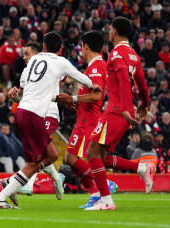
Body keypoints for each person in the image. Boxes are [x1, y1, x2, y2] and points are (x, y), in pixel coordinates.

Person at [0, 32, 94, 209]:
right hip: (34, 115)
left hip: (24, 113)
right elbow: (84, 80)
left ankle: (20, 183)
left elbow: (26, 93)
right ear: (61, 49)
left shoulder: (31, 63)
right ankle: (3, 194)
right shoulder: (60, 61)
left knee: (52, 155)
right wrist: (94, 86)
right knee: (35, 162)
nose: (25, 57)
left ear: (43, 47)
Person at [84, 17, 154, 211]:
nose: (109, 32)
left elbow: (124, 80)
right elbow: (143, 86)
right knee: (102, 156)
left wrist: (123, 109)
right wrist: (144, 105)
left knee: (91, 153)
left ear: (114, 32)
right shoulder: (134, 55)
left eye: (110, 29)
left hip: (117, 111)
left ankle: (106, 201)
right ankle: (142, 168)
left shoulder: (115, 54)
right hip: (123, 111)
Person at [56, 31, 118, 208]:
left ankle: (103, 186)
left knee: (73, 158)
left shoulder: (97, 66)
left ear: (86, 46)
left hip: (88, 120)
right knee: (69, 158)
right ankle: (96, 193)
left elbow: (96, 96)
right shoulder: (93, 66)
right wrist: (74, 92)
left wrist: (73, 99)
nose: (81, 50)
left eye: (81, 47)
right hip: (83, 118)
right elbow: (87, 91)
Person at [4, 42, 65, 204]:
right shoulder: (27, 72)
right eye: (23, 55)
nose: (24, 58)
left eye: (27, 54)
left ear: (37, 54)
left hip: (49, 114)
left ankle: (25, 184)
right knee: (45, 152)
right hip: (34, 115)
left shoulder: (51, 66)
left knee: (40, 152)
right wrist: (14, 97)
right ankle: (57, 179)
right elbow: (24, 99)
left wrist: (73, 98)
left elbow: (72, 78)